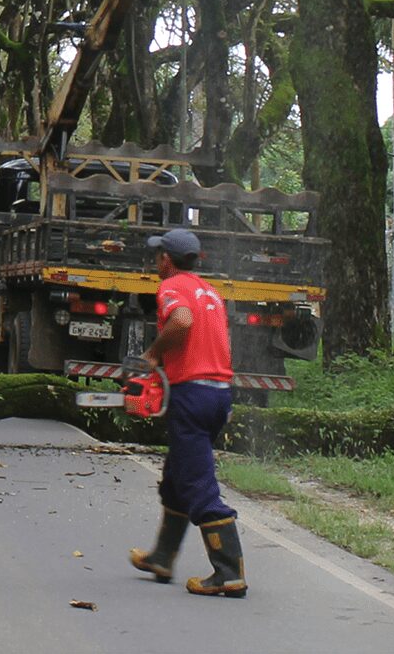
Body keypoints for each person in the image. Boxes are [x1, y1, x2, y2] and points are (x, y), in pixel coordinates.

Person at [128, 227, 247, 598]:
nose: (156, 261)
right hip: (218, 394)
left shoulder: (173, 287)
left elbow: (180, 321)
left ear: (166, 259)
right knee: (179, 475)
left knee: (198, 485)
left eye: (157, 256)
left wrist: (152, 355)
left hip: (192, 396)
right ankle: (162, 557)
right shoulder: (208, 291)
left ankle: (228, 573)